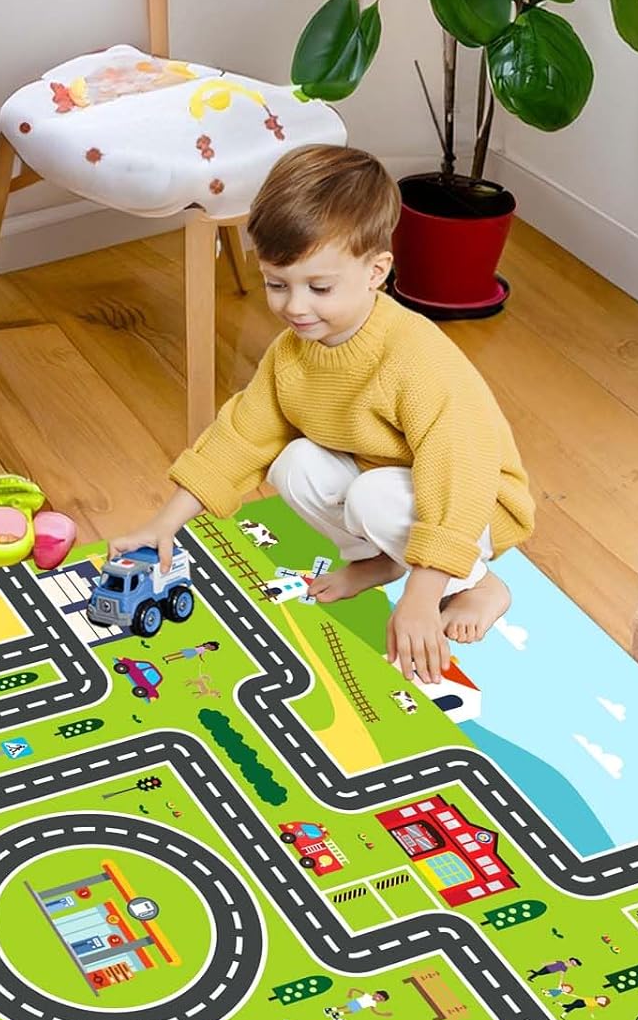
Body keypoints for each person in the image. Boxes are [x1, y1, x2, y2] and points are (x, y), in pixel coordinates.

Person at [108, 145, 534, 685]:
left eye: (319, 287)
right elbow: (241, 437)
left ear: (376, 272)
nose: (295, 307)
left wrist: (422, 596)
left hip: (475, 505)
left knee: (373, 496)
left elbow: (458, 472)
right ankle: (380, 560)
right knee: (293, 463)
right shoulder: (293, 354)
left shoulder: (416, 358)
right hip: (388, 486)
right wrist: (162, 524)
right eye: (276, 284)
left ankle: (476, 583)